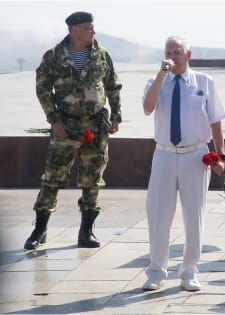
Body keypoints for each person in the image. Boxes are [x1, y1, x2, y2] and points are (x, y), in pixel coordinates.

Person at [24, 11, 122, 250]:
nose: (93, 32)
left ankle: (87, 231)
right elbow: (43, 90)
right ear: (75, 30)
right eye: (89, 28)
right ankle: (39, 230)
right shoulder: (54, 58)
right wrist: (54, 120)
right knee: (53, 178)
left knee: (92, 180)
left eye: (93, 28)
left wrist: (117, 115)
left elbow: (113, 86)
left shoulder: (102, 55)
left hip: (96, 126)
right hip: (66, 126)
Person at [141, 36, 225, 291]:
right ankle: (156, 271)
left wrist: (220, 156)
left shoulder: (204, 82)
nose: (172, 56)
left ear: (187, 54)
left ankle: (189, 271)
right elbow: (147, 107)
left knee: (194, 215)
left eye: (177, 52)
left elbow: (216, 122)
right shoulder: (156, 81)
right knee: (158, 214)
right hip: (164, 154)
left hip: (195, 155)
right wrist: (160, 76)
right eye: (168, 52)